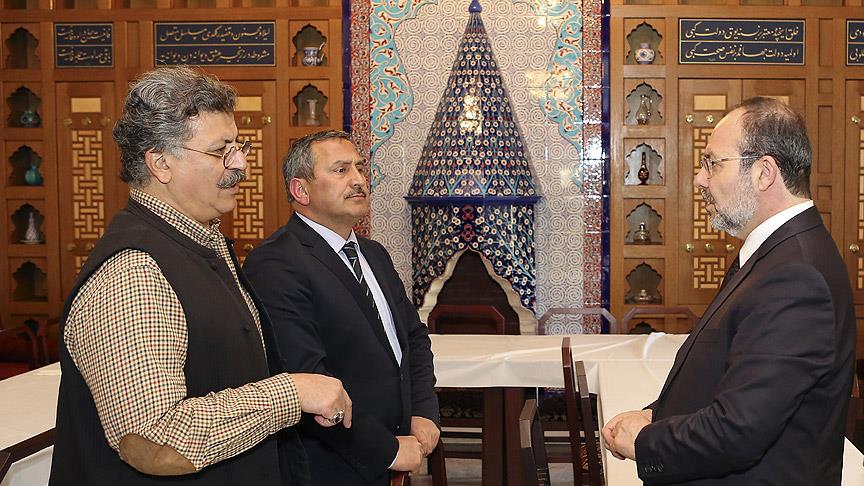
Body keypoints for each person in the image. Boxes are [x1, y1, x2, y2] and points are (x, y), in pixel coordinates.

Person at [50, 66, 353, 486]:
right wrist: (292, 393)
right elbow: (155, 439)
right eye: (220, 151)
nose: (241, 163)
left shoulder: (203, 240)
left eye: (238, 146)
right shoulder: (134, 272)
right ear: (161, 163)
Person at [603, 97, 856, 485]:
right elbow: (732, 377)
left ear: (764, 173)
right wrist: (656, 415)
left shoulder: (796, 276)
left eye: (712, 163)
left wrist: (645, 441)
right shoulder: (775, 253)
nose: (699, 179)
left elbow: (739, 430)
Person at [243, 130, 440, 485]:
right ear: (301, 190)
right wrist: (385, 450)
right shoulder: (277, 263)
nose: (358, 179)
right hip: (331, 466)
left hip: (391, 453)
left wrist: (424, 411)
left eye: (360, 168)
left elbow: (413, 338)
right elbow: (304, 377)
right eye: (341, 170)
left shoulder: (373, 254)